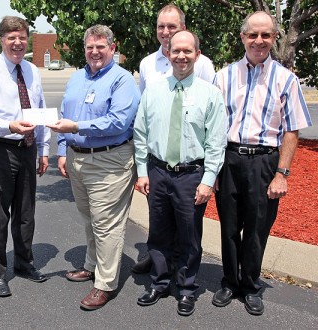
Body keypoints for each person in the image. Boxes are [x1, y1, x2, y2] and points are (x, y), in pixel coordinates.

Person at [212, 11, 312, 316]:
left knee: (257, 228)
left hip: (264, 162)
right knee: (229, 226)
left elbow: (292, 130)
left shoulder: (286, 79)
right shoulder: (223, 76)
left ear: (274, 38)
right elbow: (213, 126)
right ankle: (230, 281)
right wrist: (213, 169)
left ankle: (251, 285)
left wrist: (282, 174)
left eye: (266, 35)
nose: (259, 41)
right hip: (228, 158)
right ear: (242, 37)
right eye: (252, 35)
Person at [133, 30, 227, 316]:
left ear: (197, 55)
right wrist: (142, 171)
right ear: (168, 54)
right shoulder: (153, 91)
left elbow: (216, 141)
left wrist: (208, 180)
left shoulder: (210, 94)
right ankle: (159, 283)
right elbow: (140, 133)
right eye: (176, 51)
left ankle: (186, 288)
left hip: (191, 176)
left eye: (188, 51)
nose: (181, 56)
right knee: (158, 234)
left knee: (189, 235)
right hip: (158, 172)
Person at [47, 24, 140, 310]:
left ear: (113, 48)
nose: (95, 51)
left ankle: (105, 283)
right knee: (89, 217)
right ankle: (91, 265)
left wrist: (76, 127)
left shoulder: (123, 81)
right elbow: (64, 113)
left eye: (101, 46)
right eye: (90, 46)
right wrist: (63, 150)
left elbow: (118, 122)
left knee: (107, 224)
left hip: (109, 160)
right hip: (77, 158)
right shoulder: (77, 78)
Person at [133, 3, 216, 274]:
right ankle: (160, 270)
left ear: (183, 28)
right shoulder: (147, 64)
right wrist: (143, 168)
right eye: (161, 26)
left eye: (172, 26)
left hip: (189, 165)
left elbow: (211, 119)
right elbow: (144, 120)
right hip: (158, 165)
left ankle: (184, 278)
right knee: (159, 223)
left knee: (188, 227)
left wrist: (208, 175)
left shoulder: (203, 66)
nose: (166, 31)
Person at [0, 16, 50, 298]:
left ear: (27, 38)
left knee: (26, 213)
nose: (17, 43)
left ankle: (24, 263)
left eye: (22, 37)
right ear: (1, 39)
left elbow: (39, 109)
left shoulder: (31, 70)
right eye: (11, 38)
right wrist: (9, 126)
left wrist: (43, 149)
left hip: (28, 147)